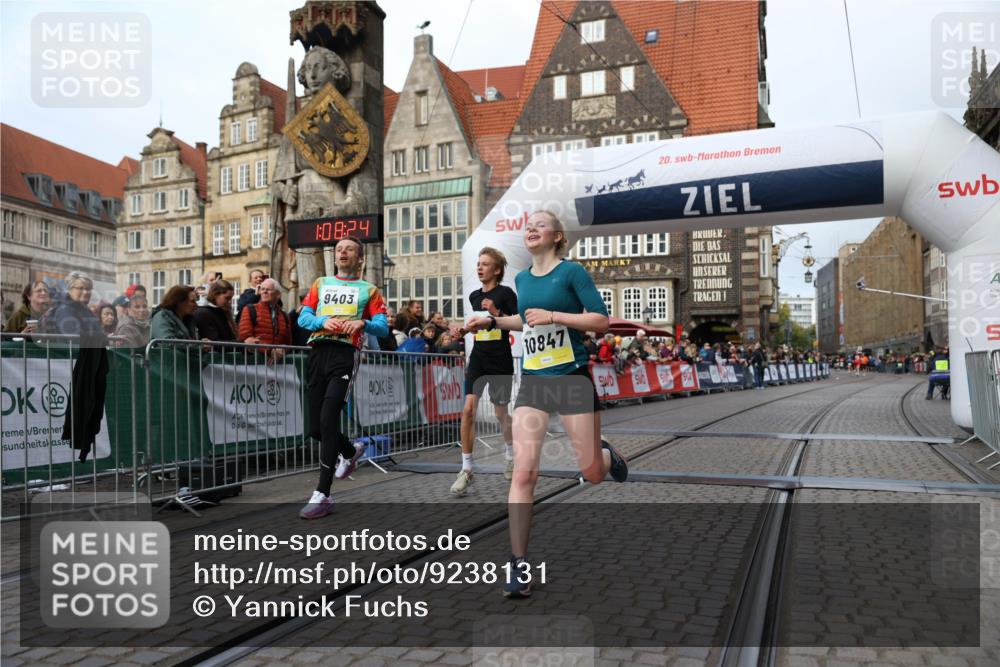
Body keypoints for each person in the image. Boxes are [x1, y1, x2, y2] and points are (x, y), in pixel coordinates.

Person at [465, 210, 627, 599]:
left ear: (557, 235)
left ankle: (606, 457)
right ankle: (519, 565)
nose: (531, 228)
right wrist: (491, 324)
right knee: (523, 474)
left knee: (591, 473)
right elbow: (526, 321)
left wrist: (555, 314)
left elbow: (601, 321)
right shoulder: (521, 279)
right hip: (534, 382)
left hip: (571, 378)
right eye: (528, 225)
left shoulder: (572, 273)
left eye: (541, 224)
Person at [296, 237, 388, 519]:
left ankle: (323, 493)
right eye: (338, 249)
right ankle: (350, 450)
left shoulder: (369, 290)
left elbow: (383, 327)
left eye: (349, 249)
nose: (342, 252)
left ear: (360, 258)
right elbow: (303, 317)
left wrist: (363, 323)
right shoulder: (321, 284)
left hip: (345, 355)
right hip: (318, 353)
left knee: (328, 420)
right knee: (315, 429)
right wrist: (322, 321)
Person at [450, 247, 518, 497]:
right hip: (479, 357)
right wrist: (463, 331)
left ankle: (510, 455)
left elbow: (516, 322)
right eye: (478, 263)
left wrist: (496, 313)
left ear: (497, 269)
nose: (479, 267)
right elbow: (476, 326)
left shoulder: (506, 293)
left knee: (501, 413)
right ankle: (466, 468)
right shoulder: (473, 296)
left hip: (500, 359)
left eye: (485, 264)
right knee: (468, 409)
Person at [42, 272, 108, 463]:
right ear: (69, 289)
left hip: (81, 366)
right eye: (80, 288)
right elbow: (73, 336)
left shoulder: (84, 310)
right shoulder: (66, 309)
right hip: (68, 367)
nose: (85, 292)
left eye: (88, 288)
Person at [238, 278, 292, 361]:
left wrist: (281, 351)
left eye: (268, 289)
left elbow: (288, 342)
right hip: (254, 363)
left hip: (278, 365)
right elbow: (246, 338)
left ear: (278, 294)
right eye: (262, 289)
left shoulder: (284, 315)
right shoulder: (249, 309)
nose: (264, 291)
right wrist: (270, 351)